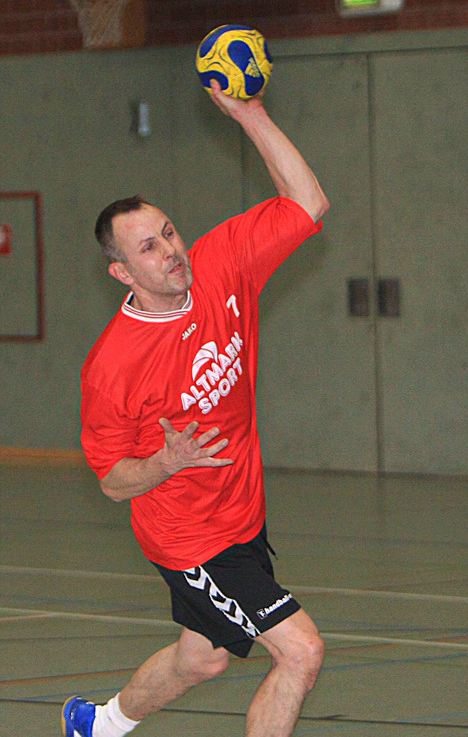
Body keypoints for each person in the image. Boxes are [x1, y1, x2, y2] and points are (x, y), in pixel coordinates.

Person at [63, 81, 330, 737]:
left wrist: (249, 113)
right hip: (192, 541)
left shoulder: (222, 264)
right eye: (148, 249)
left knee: (201, 658)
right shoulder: (113, 367)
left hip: (242, 514)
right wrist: (166, 460)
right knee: (301, 651)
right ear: (123, 273)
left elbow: (308, 202)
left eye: (168, 232)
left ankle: (99, 725)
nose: (170, 251)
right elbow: (111, 480)